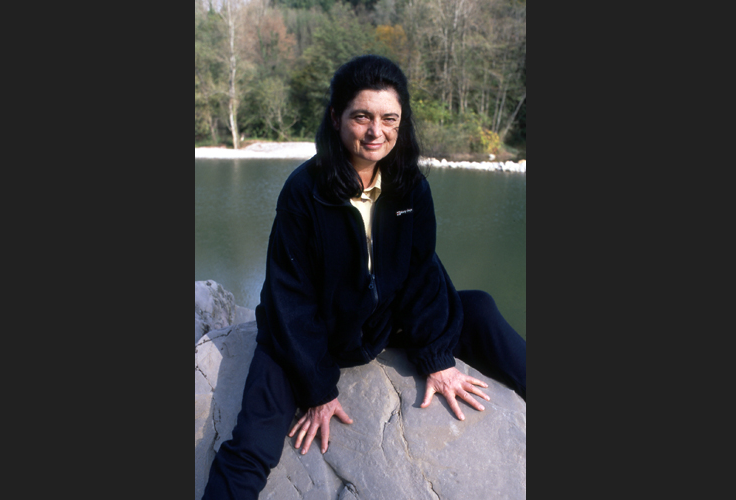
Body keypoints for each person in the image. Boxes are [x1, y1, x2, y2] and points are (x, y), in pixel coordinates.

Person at [202, 55, 526, 500]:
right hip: (314, 334)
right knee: (252, 446)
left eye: (389, 119)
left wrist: (437, 357)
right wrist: (317, 389)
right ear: (336, 118)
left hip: (382, 321)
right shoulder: (304, 192)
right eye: (362, 117)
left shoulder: (410, 186)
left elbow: (422, 272)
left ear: (401, 123)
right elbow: (289, 299)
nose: (377, 132)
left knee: (480, 308)